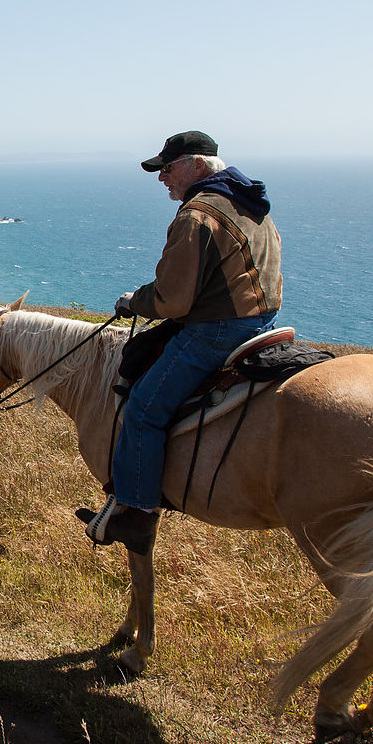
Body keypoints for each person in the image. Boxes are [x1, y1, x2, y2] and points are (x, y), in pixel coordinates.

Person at [83, 131, 283, 549]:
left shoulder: (197, 214)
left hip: (217, 331)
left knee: (142, 410)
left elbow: (173, 298)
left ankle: (136, 512)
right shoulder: (250, 202)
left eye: (167, 168)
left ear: (197, 164)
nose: (162, 179)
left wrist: (134, 301)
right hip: (264, 323)